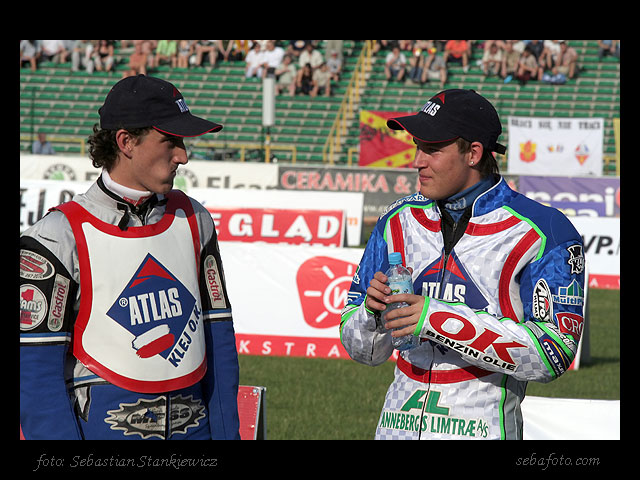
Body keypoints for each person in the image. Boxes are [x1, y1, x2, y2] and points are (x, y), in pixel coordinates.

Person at [340, 89, 585, 440]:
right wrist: (372, 314)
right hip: (395, 429)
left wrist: (435, 318)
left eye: (432, 149)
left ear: (473, 153)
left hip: (481, 430)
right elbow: (362, 350)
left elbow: (553, 354)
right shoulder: (397, 221)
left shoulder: (544, 231)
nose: (417, 161)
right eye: (417, 147)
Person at [20, 74, 241, 440]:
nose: (183, 156)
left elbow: (219, 345)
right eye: (170, 141)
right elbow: (36, 376)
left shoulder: (195, 220)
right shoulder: (56, 237)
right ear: (126, 142)